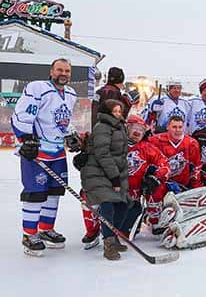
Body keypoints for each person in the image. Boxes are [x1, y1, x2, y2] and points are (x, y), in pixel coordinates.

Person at [12, 58, 79, 256]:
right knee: (35, 193)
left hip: (57, 151)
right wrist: (26, 139)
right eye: (60, 69)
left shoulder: (71, 94)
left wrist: (71, 135)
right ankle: (29, 234)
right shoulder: (38, 88)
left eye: (67, 70)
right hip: (37, 150)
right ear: (51, 71)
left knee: (54, 191)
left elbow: (63, 120)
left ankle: (46, 229)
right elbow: (22, 114)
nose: (64, 73)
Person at [79, 115, 171, 249]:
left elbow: (165, 165)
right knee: (87, 194)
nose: (138, 132)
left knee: (123, 237)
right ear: (126, 127)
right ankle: (92, 233)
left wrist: (156, 178)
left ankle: (150, 219)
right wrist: (83, 159)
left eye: (142, 129)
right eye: (135, 127)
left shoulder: (147, 148)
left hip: (130, 198)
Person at [80, 99, 131, 260]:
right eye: (115, 111)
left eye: (119, 111)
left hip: (114, 172)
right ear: (107, 112)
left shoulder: (119, 126)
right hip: (98, 172)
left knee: (124, 204)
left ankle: (113, 236)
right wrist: (115, 177)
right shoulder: (102, 127)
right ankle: (108, 243)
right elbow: (103, 154)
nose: (118, 114)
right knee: (108, 205)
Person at [148, 116, 202, 233]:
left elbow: (196, 166)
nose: (177, 130)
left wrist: (195, 185)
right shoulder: (155, 141)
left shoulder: (191, 143)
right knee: (155, 192)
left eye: (180, 127)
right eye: (174, 127)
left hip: (182, 183)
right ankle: (156, 223)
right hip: (161, 181)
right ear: (167, 127)